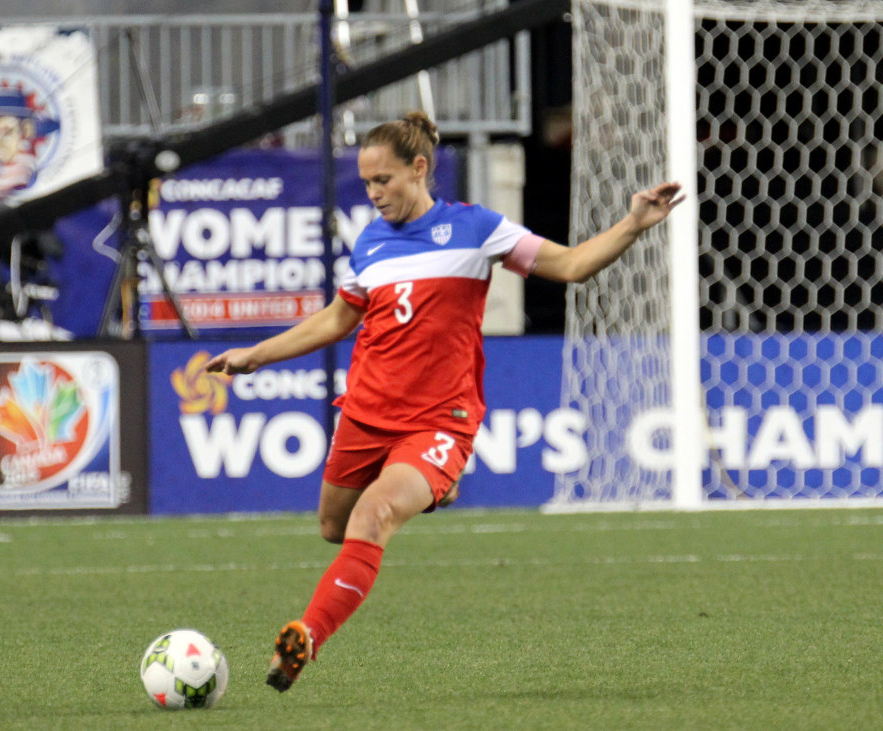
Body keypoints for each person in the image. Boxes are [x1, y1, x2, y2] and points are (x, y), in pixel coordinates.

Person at [205, 111, 684, 693]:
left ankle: (305, 637)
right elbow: (338, 318)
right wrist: (257, 354)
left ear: (420, 169)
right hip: (365, 410)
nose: (374, 193)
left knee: (372, 517)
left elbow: (571, 265)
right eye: (366, 184)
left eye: (384, 180)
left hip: (438, 419)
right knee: (334, 527)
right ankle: (437, 488)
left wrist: (634, 224)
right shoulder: (371, 242)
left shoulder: (478, 228)